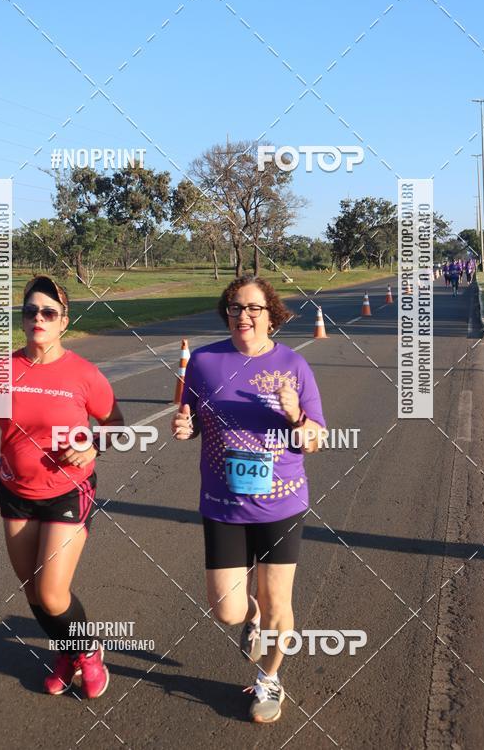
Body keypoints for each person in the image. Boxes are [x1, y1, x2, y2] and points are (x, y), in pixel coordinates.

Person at [0, 276, 124, 698]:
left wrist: (91, 446)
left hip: (68, 490)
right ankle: (67, 653)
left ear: (64, 321)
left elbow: (115, 426)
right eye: (30, 311)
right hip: (15, 492)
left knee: (51, 590)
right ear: (22, 320)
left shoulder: (84, 374)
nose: (38, 318)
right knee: (33, 593)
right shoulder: (1, 372)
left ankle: (89, 651)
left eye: (48, 312)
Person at [171, 275, 326, 724]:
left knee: (280, 599)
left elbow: (314, 439)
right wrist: (186, 428)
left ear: (271, 315)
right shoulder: (203, 361)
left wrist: (295, 413)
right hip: (222, 502)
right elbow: (191, 417)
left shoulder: (293, 366)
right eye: (236, 307)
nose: (244, 316)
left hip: (282, 501)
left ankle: (269, 680)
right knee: (228, 610)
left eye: (254, 308)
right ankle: (251, 615)